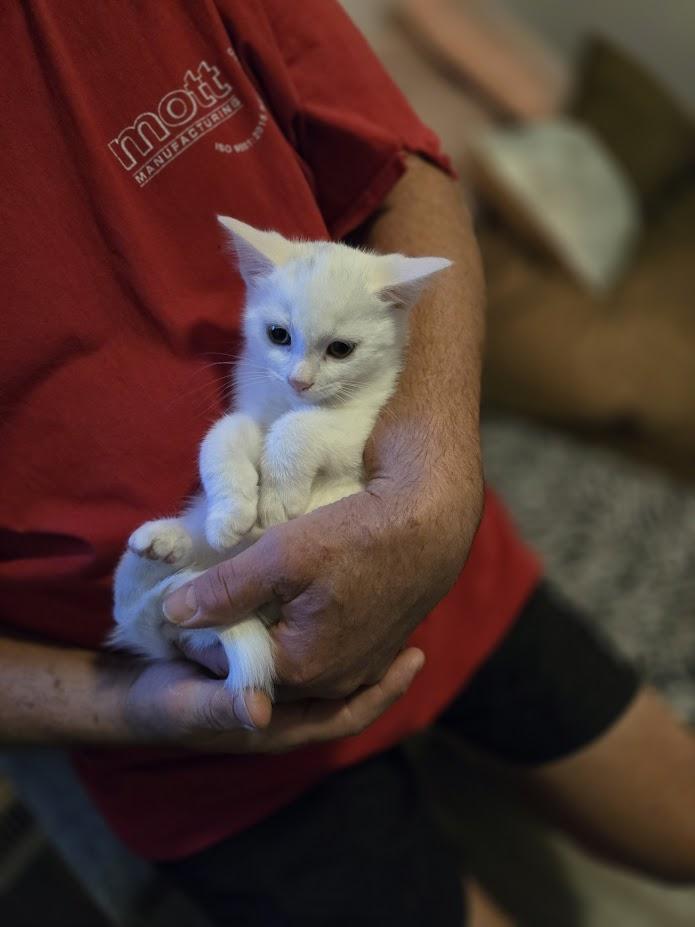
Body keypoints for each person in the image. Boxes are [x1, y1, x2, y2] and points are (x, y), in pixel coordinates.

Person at [1, 2, 694, 924]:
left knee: (677, 821)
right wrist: (142, 708)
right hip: (172, 706)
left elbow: (402, 172)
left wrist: (433, 492)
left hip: (419, 551)